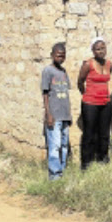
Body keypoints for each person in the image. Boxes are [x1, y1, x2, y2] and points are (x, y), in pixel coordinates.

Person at [77, 37, 112, 170]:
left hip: (105, 103)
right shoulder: (88, 64)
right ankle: (86, 163)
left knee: (104, 134)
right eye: (97, 49)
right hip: (90, 103)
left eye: (103, 48)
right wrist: (87, 95)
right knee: (89, 134)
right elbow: (80, 81)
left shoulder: (109, 64)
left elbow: (107, 78)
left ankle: (102, 159)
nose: (101, 51)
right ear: (93, 50)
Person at [41, 42, 72, 180]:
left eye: (63, 56)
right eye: (58, 55)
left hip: (65, 115)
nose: (61, 58)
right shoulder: (48, 71)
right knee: (55, 146)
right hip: (54, 116)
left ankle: (63, 171)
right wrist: (48, 114)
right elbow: (45, 94)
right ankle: (55, 176)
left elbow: (66, 93)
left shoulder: (63, 72)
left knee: (64, 145)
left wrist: (69, 115)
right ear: (52, 55)